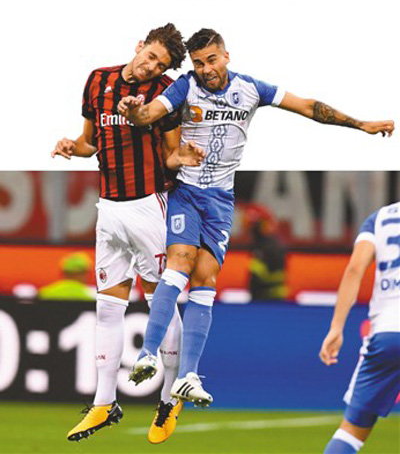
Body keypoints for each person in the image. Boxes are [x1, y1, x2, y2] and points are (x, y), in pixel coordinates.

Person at [118, 28, 395, 410]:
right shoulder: (186, 87)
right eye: (198, 63)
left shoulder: (250, 89)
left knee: (206, 280)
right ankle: (148, 353)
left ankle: (187, 376)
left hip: (220, 201)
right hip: (186, 191)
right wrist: (133, 111)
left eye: (211, 60)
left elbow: (308, 107)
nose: (205, 69)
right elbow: (148, 114)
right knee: (179, 263)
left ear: (226, 56)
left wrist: (360, 124)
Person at [51, 23, 205, 444]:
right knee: (107, 307)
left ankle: (169, 399)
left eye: (160, 64)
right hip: (109, 209)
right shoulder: (97, 81)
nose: (151, 66)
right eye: (150, 56)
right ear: (139, 46)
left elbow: (170, 154)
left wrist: (183, 157)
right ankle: (104, 403)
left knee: (161, 304)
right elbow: (91, 142)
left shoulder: (165, 93)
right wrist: (72, 147)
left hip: (148, 206)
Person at [319, 202, 400, 453]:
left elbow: (355, 269)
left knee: (352, 431)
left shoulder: (380, 218)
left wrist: (336, 327)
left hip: (388, 331)